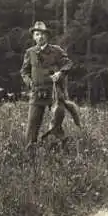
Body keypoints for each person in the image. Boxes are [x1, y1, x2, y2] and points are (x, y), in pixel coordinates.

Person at [20, 21, 73, 150]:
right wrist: (30, 83)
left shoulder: (56, 51)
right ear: (34, 37)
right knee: (32, 125)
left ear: (47, 36)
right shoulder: (30, 52)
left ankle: (60, 151)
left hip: (54, 93)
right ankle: (29, 154)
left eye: (42, 34)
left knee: (56, 123)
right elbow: (24, 71)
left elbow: (68, 64)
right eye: (37, 34)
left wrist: (60, 73)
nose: (40, 37)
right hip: (36, 93)